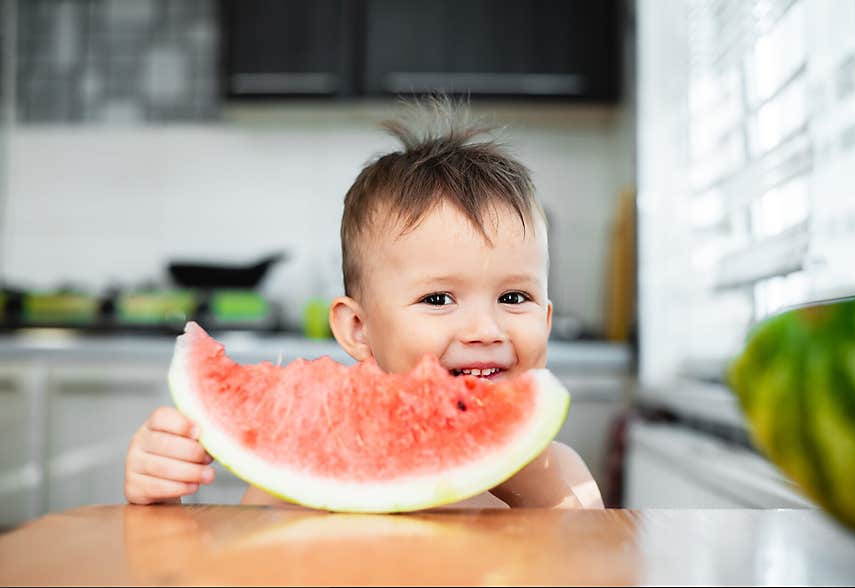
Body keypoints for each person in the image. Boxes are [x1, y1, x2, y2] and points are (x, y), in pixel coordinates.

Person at [124, 98, 604, 510]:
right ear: (357, 328)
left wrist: (523, 475)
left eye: (513, 297)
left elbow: (589, 563)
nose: (484, 329)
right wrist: (165, 500)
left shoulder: (559, 469)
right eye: (438, 298)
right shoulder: (309, 453)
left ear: (546, 318)